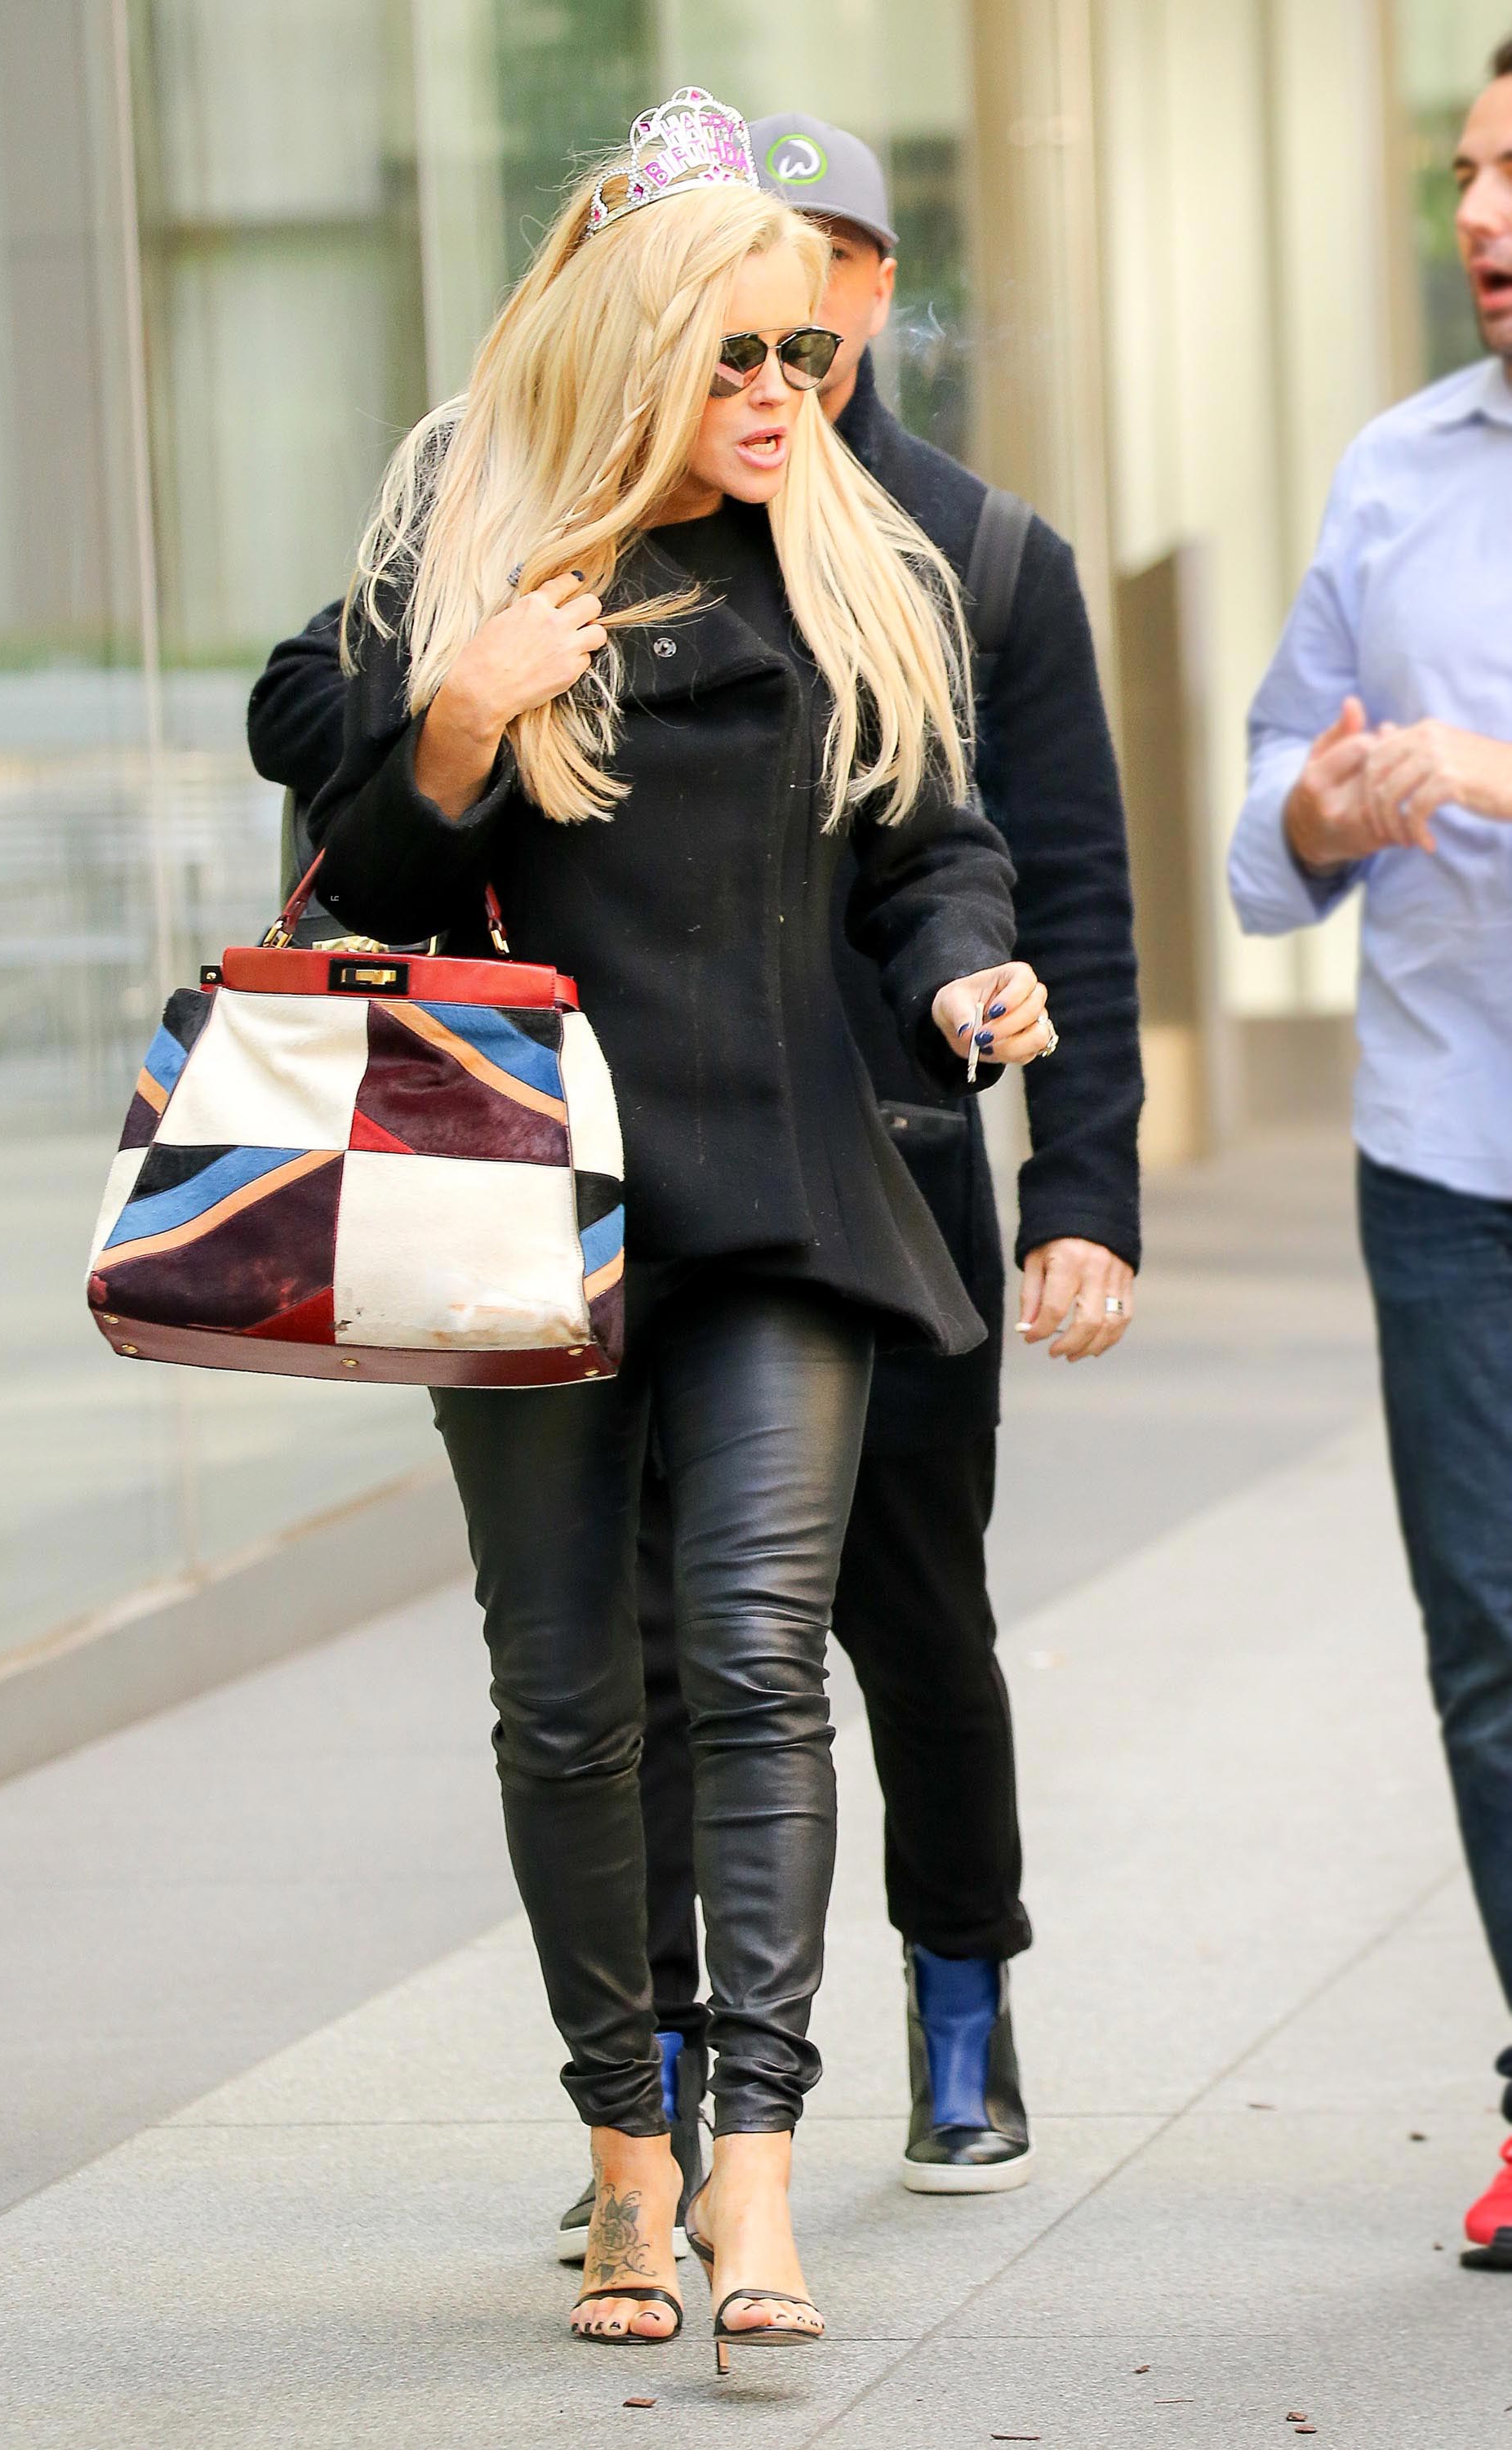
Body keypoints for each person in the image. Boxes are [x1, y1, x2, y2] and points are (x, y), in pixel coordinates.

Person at [249, 111, 1143, 2240]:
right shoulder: (480, 540)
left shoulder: (911, 557)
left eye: (807, 335)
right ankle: (635, 2123)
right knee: (593, 1690)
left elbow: (979, 862)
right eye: (736, 338)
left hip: (823, 1187)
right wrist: (455, 722)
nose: (785, 375)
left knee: (823, 1643)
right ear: (637, 334)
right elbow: (350, 828)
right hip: (536, 1205)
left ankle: (847, 2081)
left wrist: (1025, 1077)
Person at [1227, 34, 1512, 2274]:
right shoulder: (1396, 470)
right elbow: (1270, 791)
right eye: (1470, 173)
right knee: (1491, 1643)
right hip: (1445, 1149)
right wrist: (1318, 811)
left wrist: (1490, 772)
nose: (1483, 218)